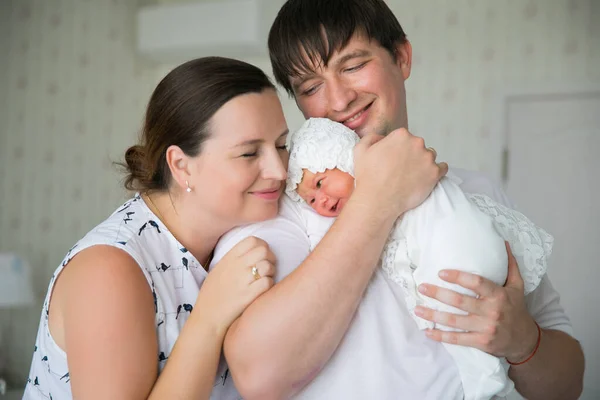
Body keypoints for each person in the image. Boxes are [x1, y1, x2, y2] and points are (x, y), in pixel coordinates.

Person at [210, 1, 585, 399]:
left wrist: (523, 341)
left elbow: (569, 384)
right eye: (311, 87)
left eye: (352, 66)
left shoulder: (477, 193)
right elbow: (258, 376)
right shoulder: (284, 208)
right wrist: (379, 200)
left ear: (402, 58)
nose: (338, 100)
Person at [23, 57, 290, 399]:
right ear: (181, 165)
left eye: (281, 145)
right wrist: (209, 319)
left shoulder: (241, 232)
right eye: (249, 153)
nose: (279, 171)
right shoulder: (109, 271)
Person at [287, 117, 554, 400]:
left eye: (320, 183)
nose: (323, 200)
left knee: (461, 334)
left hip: (460, 256)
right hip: (464, 263)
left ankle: (488, 385)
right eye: (312, 200)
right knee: (465, 340)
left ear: (344, 159)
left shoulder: (397, 179)